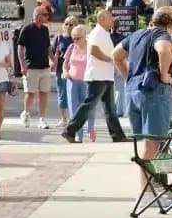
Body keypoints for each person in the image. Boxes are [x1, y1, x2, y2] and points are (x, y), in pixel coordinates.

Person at [113, 7, 172, 200]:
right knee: (153, 143)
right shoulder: (161, 34)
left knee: (154, 142)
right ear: (171, 22)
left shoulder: (137, 34)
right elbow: (164, 50)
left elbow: (116, 54)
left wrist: (129, 77)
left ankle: (155, 184)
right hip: (153, 92)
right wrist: (165, 74)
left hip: (134, 92)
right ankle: (146, 188)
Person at [61, 9, 127, 143]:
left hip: (105, 76)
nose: (112, 20)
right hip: (97, 76)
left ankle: (118, 136)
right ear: (102, 19)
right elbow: (93, 51)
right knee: (89, 105)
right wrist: (111, 59)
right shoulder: (97, 32)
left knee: (110, 109)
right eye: (109, 18)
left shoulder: (104, 33)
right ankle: (69, 130)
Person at [17, 7, 54, 130]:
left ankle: (41, 118)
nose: (47, 17)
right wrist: (22, 65)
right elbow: (20, 48)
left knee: (44, 93)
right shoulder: (27, 29)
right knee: (30, 93)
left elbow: (48, 47)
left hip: (45, 66)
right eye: (45, 15)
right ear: (37, 16)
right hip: (31, 67)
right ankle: (26, 113)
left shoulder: (45, 30)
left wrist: (53, 59)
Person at [62, 25, 95, 142]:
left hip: (86, 82)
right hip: (72, 81)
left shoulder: (90, 48)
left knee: (87, 108)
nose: (75, 41)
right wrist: (65, 72)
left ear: (84, 37)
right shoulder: (71, 47)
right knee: (74, 109)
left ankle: (90, 128)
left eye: (78, 38)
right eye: (73, 38)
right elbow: (65, 63)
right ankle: (78, 136)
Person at [52, 18, 77, 127]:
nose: (68, 26)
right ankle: (63, 118)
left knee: (74, 94)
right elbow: (52, 52)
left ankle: (74, 118)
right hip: (61, 69)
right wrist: (52, 62)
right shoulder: (59, 38)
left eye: (71, 24)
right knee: (62, 94)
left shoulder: (77, 38)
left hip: (75, 69)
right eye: (66, 24)